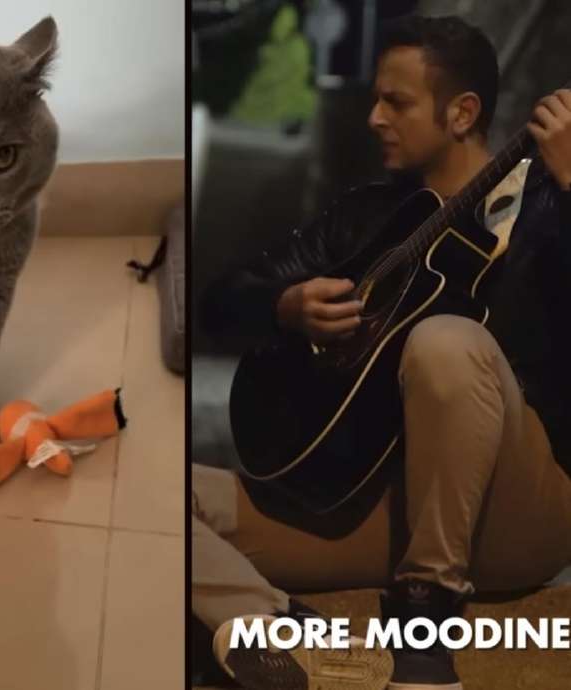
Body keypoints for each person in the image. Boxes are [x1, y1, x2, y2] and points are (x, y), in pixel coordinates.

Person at [194, 14, 571, 690]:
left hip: (522, 507)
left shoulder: (547, 203)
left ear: (461, 114)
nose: (372, 117)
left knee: (446, 342)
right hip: (378, 503)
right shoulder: (365, 215)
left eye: (395, 102)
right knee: (175, 495)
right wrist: (284, 307)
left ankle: (423, 632)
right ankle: (273, 620)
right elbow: (220, 298)